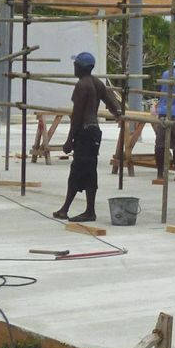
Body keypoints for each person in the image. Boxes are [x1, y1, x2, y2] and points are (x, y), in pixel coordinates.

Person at [54, 51, 124, 221]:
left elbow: (76, 115)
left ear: (80, 67)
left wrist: (69, 139)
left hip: (84, 132)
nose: (74, 68)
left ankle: (82, 210)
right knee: (89, 171)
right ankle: (71, 208)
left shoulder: (82, 85)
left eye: (75, 65)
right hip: (94, 132)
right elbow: (111, 101)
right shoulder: (96, 83)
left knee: (78, 170)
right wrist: (118, 113)